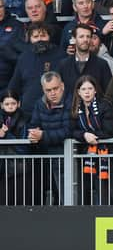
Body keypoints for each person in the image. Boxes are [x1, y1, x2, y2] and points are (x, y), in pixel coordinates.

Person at [70, 75, 113, 205]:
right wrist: (84, 136)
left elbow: (111, 130)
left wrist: (91, 135)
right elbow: (70, 129)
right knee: (86, 190)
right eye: (83, 89)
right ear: (78, 92)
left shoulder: (104, 106)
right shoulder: (76, 109)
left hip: (110, 154)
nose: (87, 92)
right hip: (89, 155)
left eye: (90, 88)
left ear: (95, 91)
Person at [28, 71, 71, 205]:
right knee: (57, 195)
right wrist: (32, 135)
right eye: (48, 90)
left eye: (55, 88)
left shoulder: (71, 101)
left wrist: (43, 135)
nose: (52, 93)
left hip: (71, 156)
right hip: (50, 157)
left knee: (70, 197)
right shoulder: (39, 104)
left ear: (62, 86)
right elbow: (34, 125)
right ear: (43, 90)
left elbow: (68, 130)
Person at [8, 23, 65, 118]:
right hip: (28, 112)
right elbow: (14, 85)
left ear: (49, 37)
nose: (39, 39)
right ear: (30, 39)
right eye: (35, 36)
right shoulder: (24, 57)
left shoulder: (61, 56)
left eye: (43, 35)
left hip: (54, 112)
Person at [58, 23, 113, 95]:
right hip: (71, 105)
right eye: (81, 36)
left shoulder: (102, 64)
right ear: (74, 39)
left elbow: (108, 93)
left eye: (88, 36)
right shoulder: (64, 65)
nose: (85, 40)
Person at [0, 90, 29, 206]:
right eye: (7, 104)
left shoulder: (25, 119)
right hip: (2, 168)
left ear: (19, 103)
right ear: (1, 105)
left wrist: (6, 135)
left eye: (13, 103)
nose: (10, 107)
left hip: (19, 168)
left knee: (18, 202)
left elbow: (23, 146)